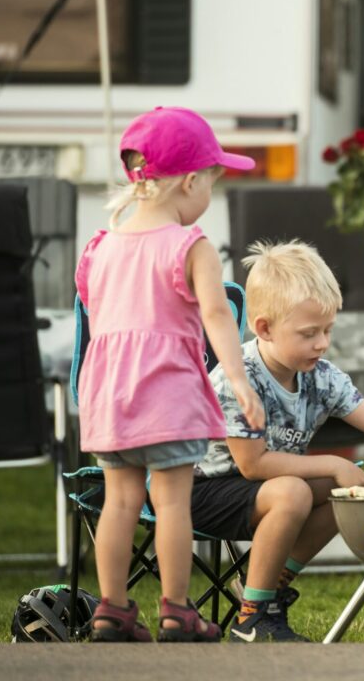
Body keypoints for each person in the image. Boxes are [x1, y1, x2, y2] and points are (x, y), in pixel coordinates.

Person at [192, 240, 364, 643]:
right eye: (309, 334)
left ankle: (269, 587)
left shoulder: (320, 375)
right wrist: (334, 464)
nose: (322, 343)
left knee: (347, 493)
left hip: (263, 488)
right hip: (202, 491)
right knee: (296, 492)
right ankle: (251, 619)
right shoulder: (241, 379)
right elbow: (253, 465)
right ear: (264, 328)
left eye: (327, 330)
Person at [75, 106, 265, 642]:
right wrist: (240, 382)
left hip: (109, 396)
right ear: (189, 182)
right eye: (212, 183)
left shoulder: (100, 247)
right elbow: (217, 317)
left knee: (119, 502)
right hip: (168, 394)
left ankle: (111, 609)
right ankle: (177, 610)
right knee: (172, 502)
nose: (210, 195)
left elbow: (100, 318)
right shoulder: (191, 246)